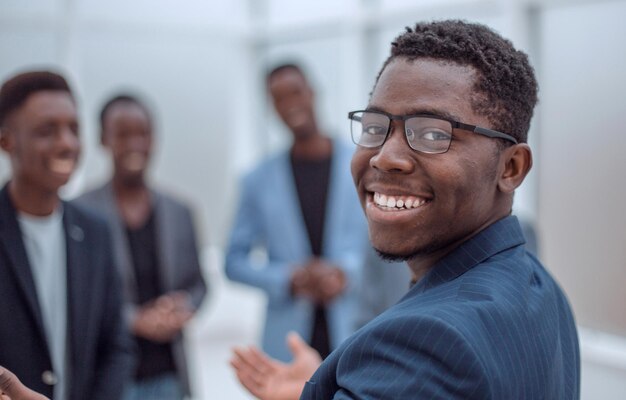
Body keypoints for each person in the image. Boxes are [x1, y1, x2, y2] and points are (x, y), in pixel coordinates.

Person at [231, 20, 580, 399]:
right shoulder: (539, 286)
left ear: (511, 167)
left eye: (433, 133)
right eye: (375, 126)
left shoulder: (420, 345)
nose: (385, 157)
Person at [0, 71, 134, 400]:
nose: (67, 144)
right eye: (47, 131)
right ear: (6, 141)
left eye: (74, 129)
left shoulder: (95, 231)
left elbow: (116, 346)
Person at [225, 63, 368, 362]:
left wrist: (345, 273)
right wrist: (287, 279)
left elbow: (388, 246)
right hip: (288, 342)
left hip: (356, 331)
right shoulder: (257, 180)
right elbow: (233, 261)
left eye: (295, 93)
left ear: (312, 92)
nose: (290, 105)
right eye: (279, 98)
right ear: (271, 107)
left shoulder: (362, 165)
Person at [75, 94, 207, 400]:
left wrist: (181, 305)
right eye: (123, 134)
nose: (134, 143)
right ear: (103, 140)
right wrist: (134, 319)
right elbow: (76, 298)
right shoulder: (80, 213)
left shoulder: (180, 210)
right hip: (108, 379)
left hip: (170, 374)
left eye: (143, 133)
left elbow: (199, 284)